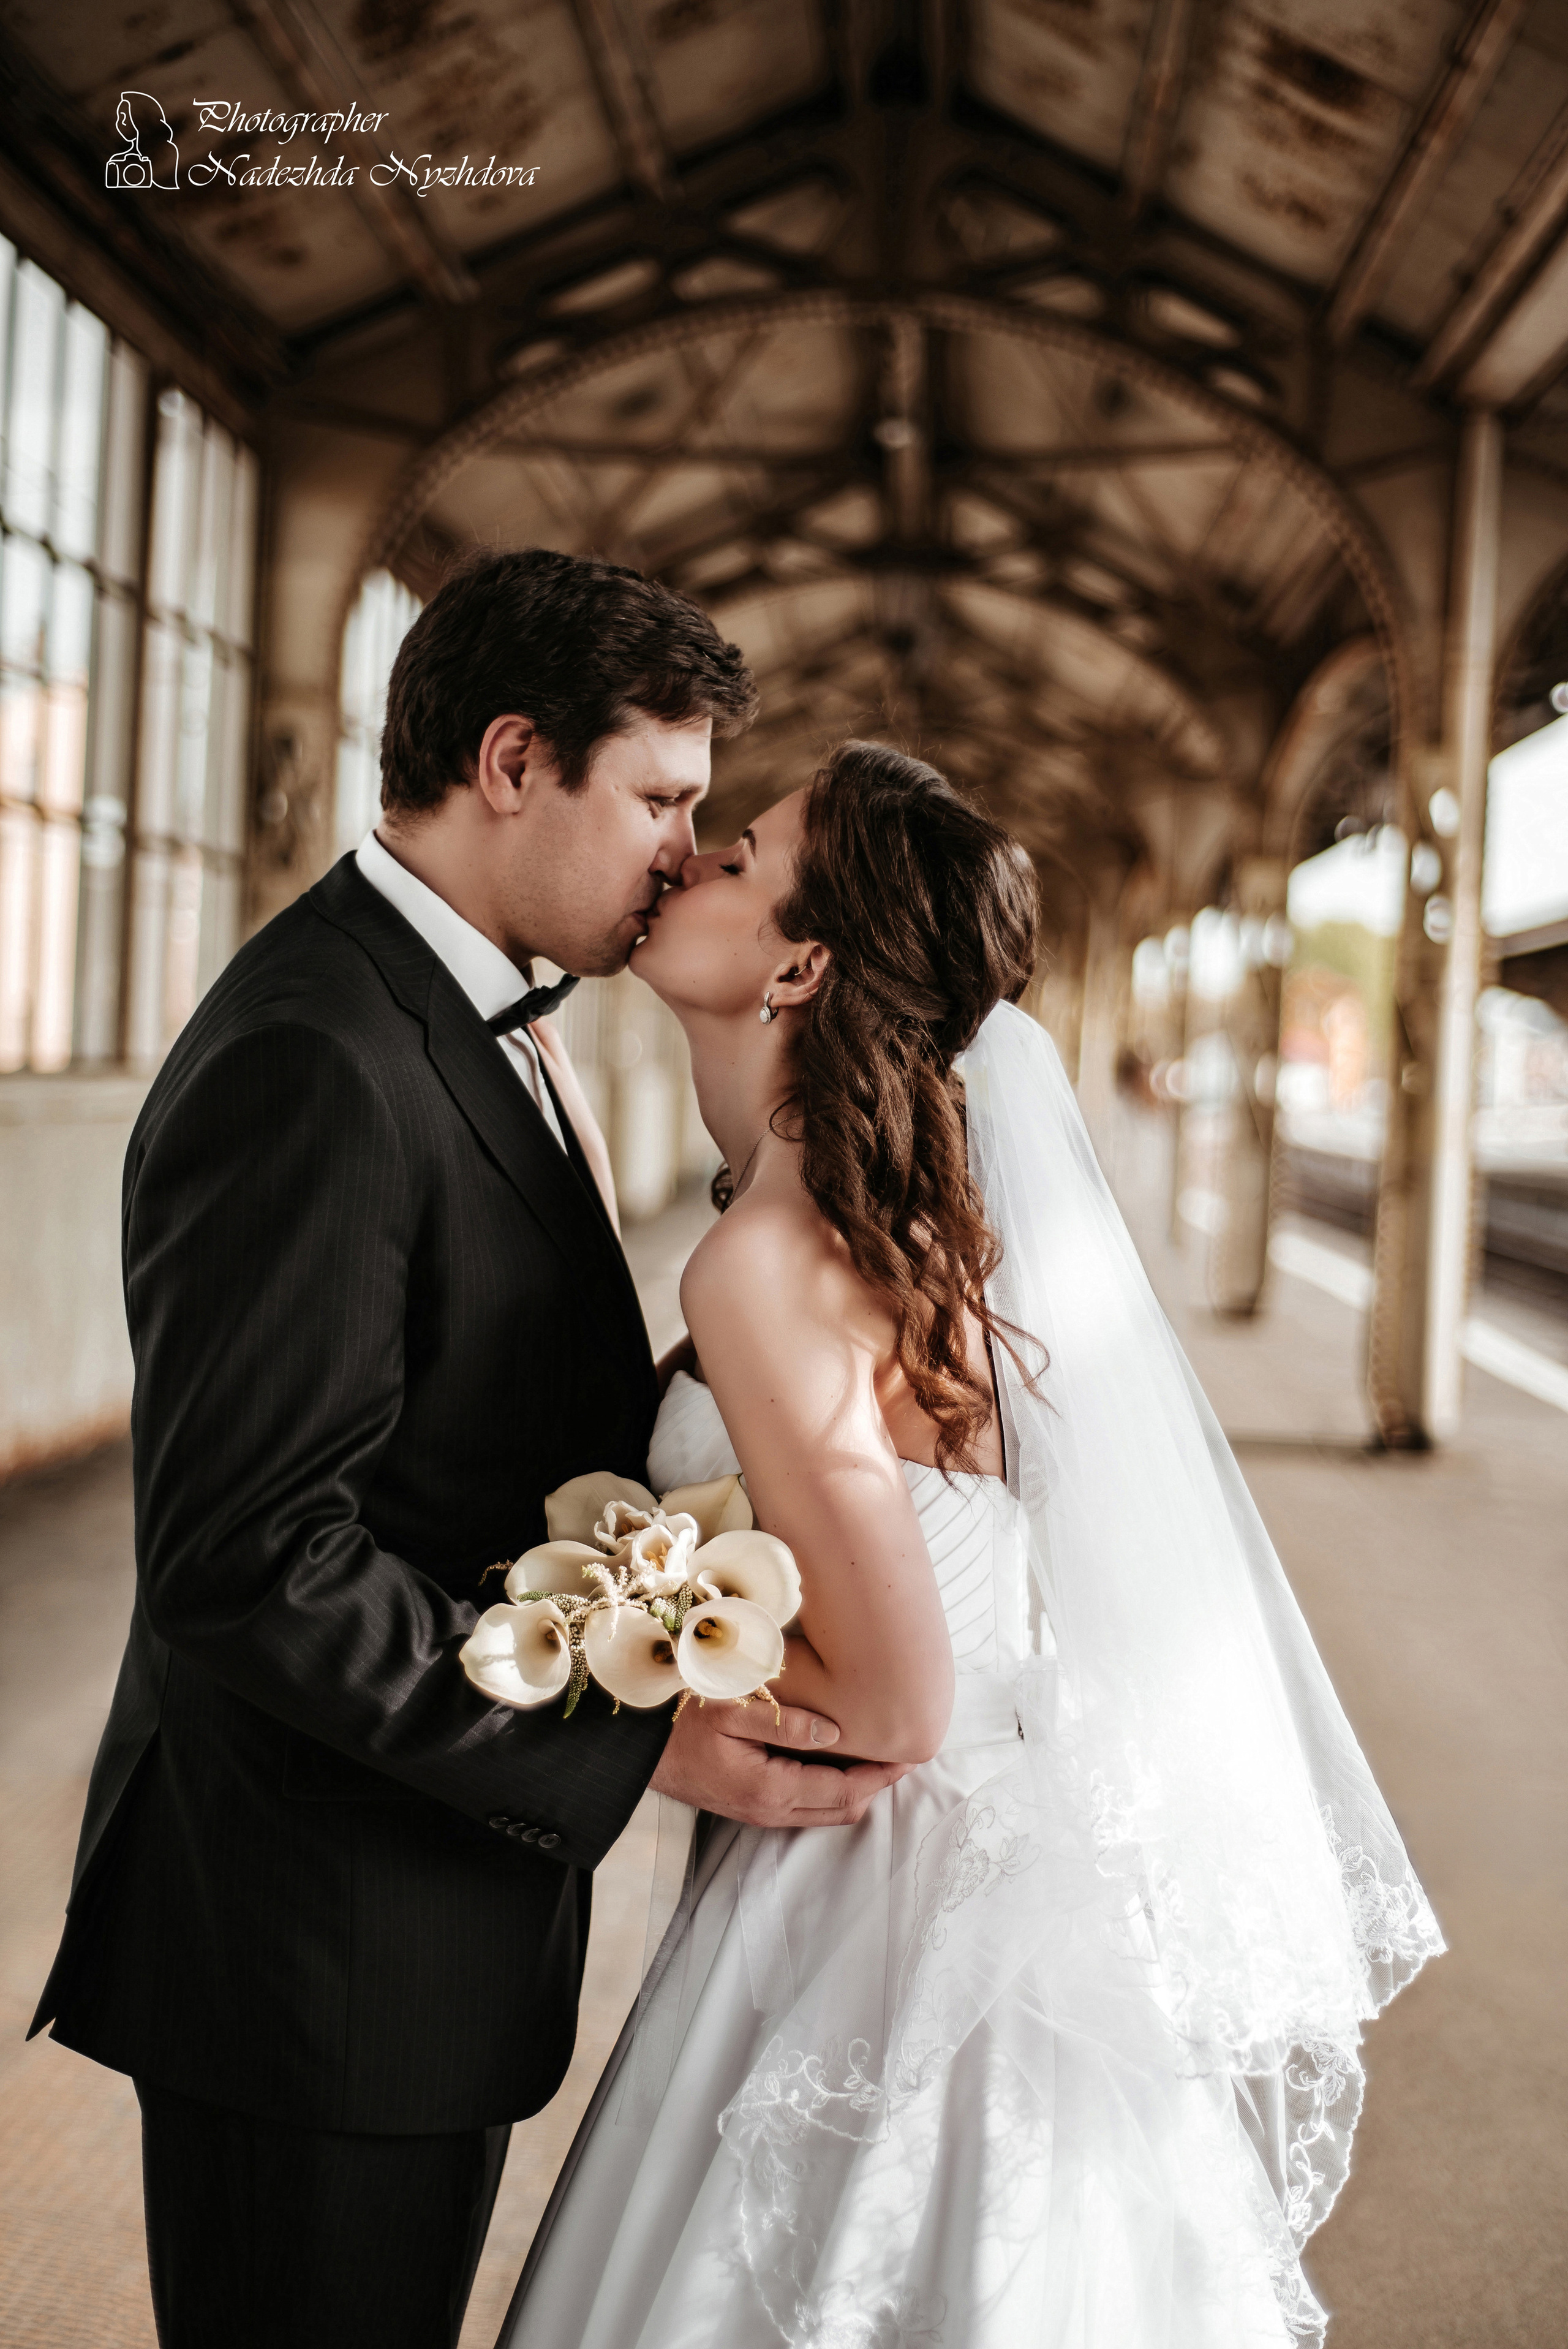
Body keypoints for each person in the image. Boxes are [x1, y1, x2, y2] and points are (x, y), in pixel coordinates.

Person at [28, 551, 905, 2349]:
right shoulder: (318, 1055)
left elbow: (483, 1408)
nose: (684, 847)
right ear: (514, 759)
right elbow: (258, 1560)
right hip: (307, 1957)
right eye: (659, 797)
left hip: (400, 1935)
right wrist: (631, 1729)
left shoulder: (476, 1016)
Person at [499, 740, 1444, 2349]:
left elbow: (897, 1703)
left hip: (866, 1905)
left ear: (801, 962)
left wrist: (605, 1649)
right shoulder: (891, 1225)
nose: (692, 860)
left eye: (739, 853)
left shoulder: (764, 1262)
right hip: (983, 1880)